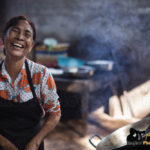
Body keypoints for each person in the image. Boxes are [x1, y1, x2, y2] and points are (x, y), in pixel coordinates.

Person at [0, 15, 61, 150]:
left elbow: (55, 113)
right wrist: (5, 144)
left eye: (27, 34)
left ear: (31, 45)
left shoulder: (41, 74)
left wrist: (36, 142)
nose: (20, 37)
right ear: (3, 38)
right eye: (15, 31)